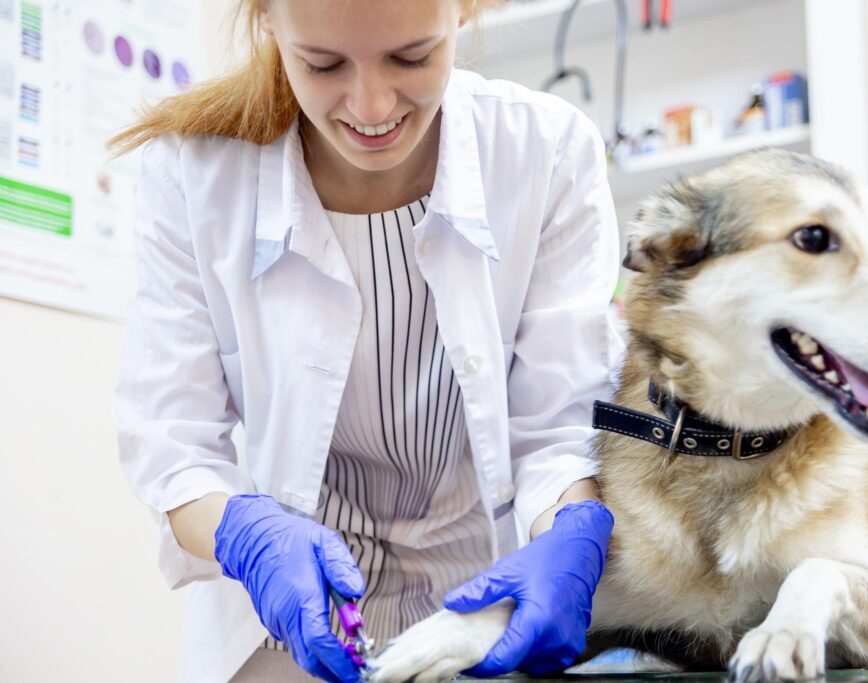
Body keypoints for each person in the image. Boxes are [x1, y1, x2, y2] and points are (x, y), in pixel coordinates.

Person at [111, 0, 622, 681]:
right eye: (322, 64)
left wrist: (568, 533)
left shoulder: (547, 151)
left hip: (484, 616)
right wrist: (246, 536)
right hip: (283, 626)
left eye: (412, 57)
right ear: (269, 24)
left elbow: (559, 428)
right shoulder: (193, 172)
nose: (372, 104)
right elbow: (173, 446)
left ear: (462, 15)